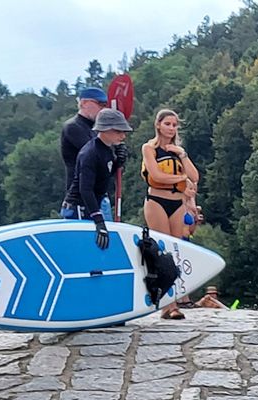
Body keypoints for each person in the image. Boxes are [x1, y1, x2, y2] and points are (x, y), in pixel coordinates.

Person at [140, 108, 201, 318]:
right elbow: (156, 175)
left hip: (177, 203)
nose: (171, 128)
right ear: (158, 125)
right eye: (167, 124)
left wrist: (182, 155)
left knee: (176, 252)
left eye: (174, 125)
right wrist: (181, 180)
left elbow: (195, 176)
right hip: (157, 200)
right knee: (162, 251)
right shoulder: (149, 148)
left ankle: (173, 301)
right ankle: (168, 305)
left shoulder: (177, 150)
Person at [66, 108, 132, 249]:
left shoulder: (106, 149)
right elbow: (85, 189)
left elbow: (104, 175)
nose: (123, 136)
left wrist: (117, 163)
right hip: (80, 206)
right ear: (106, 129)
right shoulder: (90, 153)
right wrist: (98, 219)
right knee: (84, 247)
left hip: (94, 202)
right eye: (118, 131)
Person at [59, 85, 106, 216]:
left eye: (105, 105)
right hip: (79, 198)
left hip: (99, 195)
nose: (102, 109)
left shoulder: (96, 130)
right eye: (99, 104)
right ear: (84, 103)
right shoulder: (73, 127)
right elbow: (95, 155)